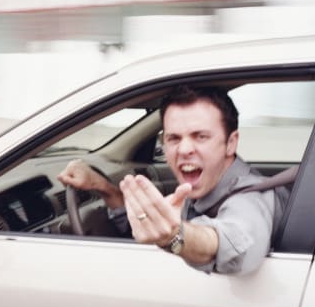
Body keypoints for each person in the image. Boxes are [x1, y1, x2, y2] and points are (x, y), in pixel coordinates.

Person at [58, 85, 289, 275]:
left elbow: (235, 245)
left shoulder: (252, 196)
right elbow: (150, 224)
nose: (185, 149)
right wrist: (102, 187)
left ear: (231, 143)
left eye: (201, 136)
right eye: (174, 138)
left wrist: (176, 236)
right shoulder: (201, 186)